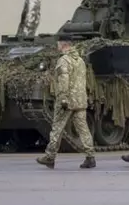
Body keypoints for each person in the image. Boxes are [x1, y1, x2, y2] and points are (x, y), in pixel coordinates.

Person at [36, 35, 96, 169]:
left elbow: (64, 80)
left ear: (63, 45)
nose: (57, 46)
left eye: (58, 44)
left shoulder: (63, 60)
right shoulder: (80, 60)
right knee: (83, 129)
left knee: (57, 129)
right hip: (80, 100)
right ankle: (90, 156)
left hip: (67, 101)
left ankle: (50, 157)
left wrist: (63, 98)